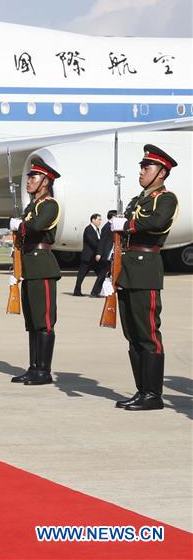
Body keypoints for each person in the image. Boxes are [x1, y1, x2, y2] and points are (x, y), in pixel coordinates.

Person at [108, 145, 178, 411]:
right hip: (127, 268)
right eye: (141, 167)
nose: (141, 171)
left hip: (146, 268)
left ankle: (153, 394)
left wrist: (126, 224)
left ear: (161, 173)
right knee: (133, 334)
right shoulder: (138, 199)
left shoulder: (165, 198)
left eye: (146, 168)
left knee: (148, 334)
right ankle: (141, 390)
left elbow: (157, 223)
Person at [9, 158, 61, 386]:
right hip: (29, 265)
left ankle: (44, 371)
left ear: (46, 181)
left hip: (42, 265)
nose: (29, 181)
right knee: (32, 322)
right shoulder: (33, 205)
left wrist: (19, 226)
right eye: (29, 177)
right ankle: (33, 367)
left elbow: (37, 226)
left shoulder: (50, 204)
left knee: (44, 321)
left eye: (34, 177)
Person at [91, 209, 118, 297]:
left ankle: (102, 291)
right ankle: (95, 292)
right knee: (103, 274)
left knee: (105, 274)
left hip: (110, 253)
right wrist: (99, 253)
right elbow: (102, 241)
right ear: (113, 217)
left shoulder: (112, 226)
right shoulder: (107, 227)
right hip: (107, 254)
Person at [73, 214, 102, 296]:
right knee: (81, 275)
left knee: (101, 274)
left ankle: (95, 292)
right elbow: (92, 242)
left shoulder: (97, 229)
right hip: (88, 257)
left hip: (94, 257)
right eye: (99, 219)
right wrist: (101, 249)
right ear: (93, 220)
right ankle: (77, 291)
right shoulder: (88, 229)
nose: (100, 221)